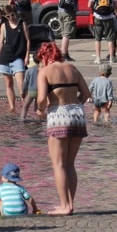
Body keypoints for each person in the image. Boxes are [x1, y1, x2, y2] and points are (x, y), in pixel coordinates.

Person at [35, 42, 91, 215]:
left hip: (58, 115)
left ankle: (64, 206)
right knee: (70, 164)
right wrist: (75, 105)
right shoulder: (72, 68)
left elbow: (42, 99)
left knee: (58, 164)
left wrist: (41, 110)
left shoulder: (45, 71)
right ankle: (70, 203)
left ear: (44, 56)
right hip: (77, 114)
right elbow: (86, 94)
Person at [0, 4, 31, 114]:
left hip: (18, 57)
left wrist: (27, 55)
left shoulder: (22, 23)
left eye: (12, 15)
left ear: (15, 13)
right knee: (8, 83)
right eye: (8, 16)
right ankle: (12, 107)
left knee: (21, 85)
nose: (11, 18)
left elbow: (28, 40)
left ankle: (25, 107)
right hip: (5, 57)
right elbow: (1, 43)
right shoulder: (4, 26)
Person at [88, 0, 117, 64]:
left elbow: (89, 5)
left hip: (98, 17)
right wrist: (116, 13)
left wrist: (94, 9)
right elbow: (115, 4)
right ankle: (112, 58)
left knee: (97, 39)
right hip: (109, 17)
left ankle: (98, 58)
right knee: (110, 38)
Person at [20, 54, 39, 119]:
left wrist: (23, 91)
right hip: (40, 91)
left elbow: (25, 82)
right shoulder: (43, 69)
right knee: (37, 107)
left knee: (25, 106)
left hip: (31, 91)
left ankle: (22, 119)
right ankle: (38, 119)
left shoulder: (30, 70)